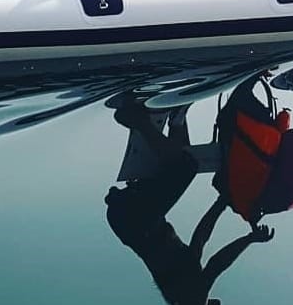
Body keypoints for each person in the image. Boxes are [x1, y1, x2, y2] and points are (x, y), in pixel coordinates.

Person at [105, 101, 275, 305]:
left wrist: (250, 238)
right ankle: (178, 117)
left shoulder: (195, 299)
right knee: (180, 162)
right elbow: (201, 236)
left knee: (185, 167)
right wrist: (220, 203)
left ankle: (137, 120)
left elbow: (217, 264)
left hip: (139, 220)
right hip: (128, 220)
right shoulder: (190, 281)